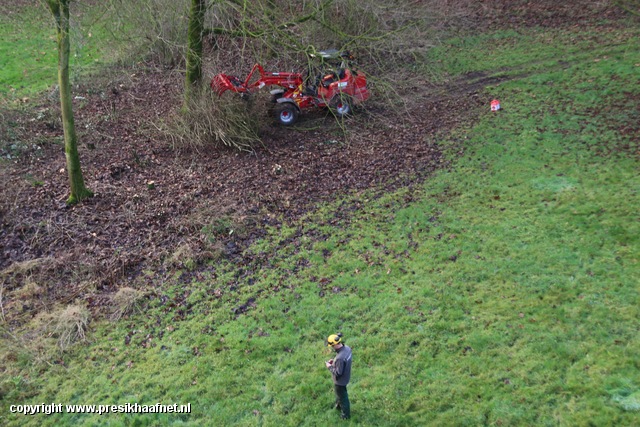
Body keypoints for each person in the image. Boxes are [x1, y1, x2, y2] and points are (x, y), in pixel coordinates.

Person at [325, 333, 352, 420]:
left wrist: (330, 367)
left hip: (340, 382)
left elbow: (338, 373)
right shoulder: (347, 349)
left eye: (332, 346)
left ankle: (345, 415)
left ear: (335, 345)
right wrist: (335, 362)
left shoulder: (340, 358)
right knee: (340, 394)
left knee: (343, 397)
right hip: (346, 377)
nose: (332, 348)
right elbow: (342, 363)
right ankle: (338, 405)